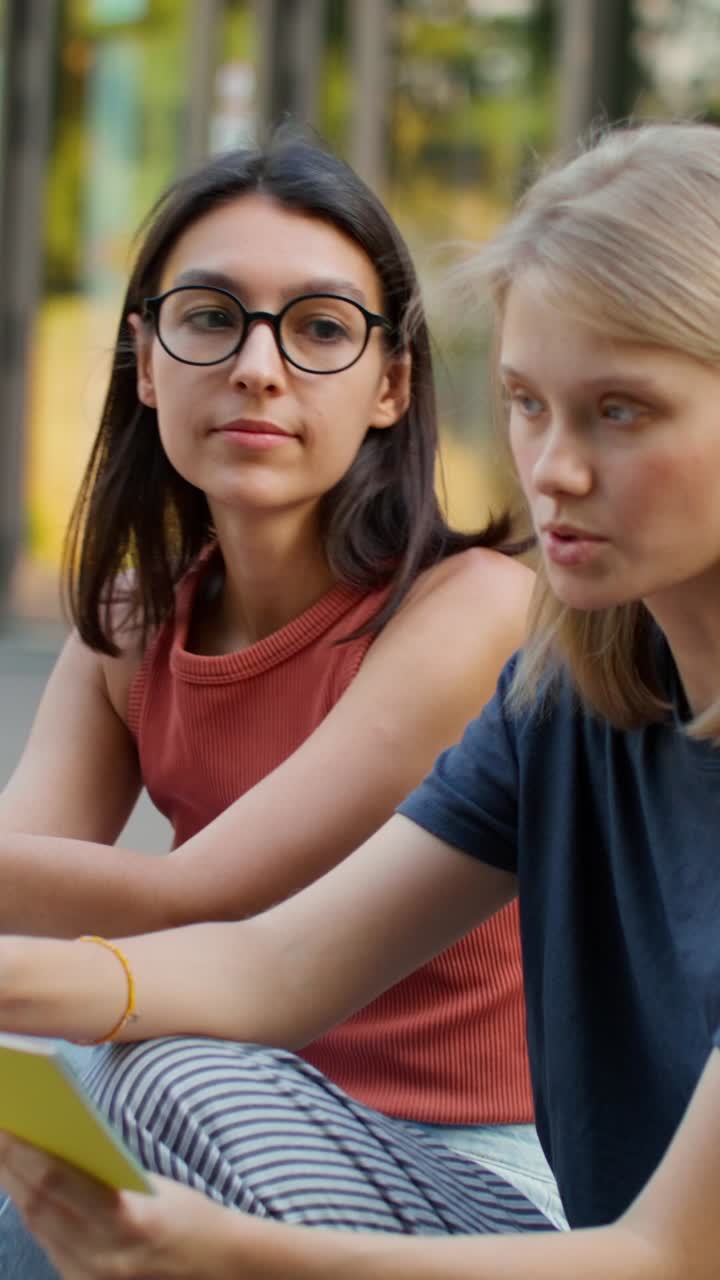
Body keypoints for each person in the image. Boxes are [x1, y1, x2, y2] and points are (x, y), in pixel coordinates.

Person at [5, 116, 719, 1277]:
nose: (554, 468)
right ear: (143, 356)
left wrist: (233, 1251)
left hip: (500, 1191)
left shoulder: (475, 612)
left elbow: (664, 1257)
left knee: (157, 1075)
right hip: (332, 1138)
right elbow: (271, 968)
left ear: (393, 384)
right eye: (529, 404)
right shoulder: (568, 689)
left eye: (620, 410)